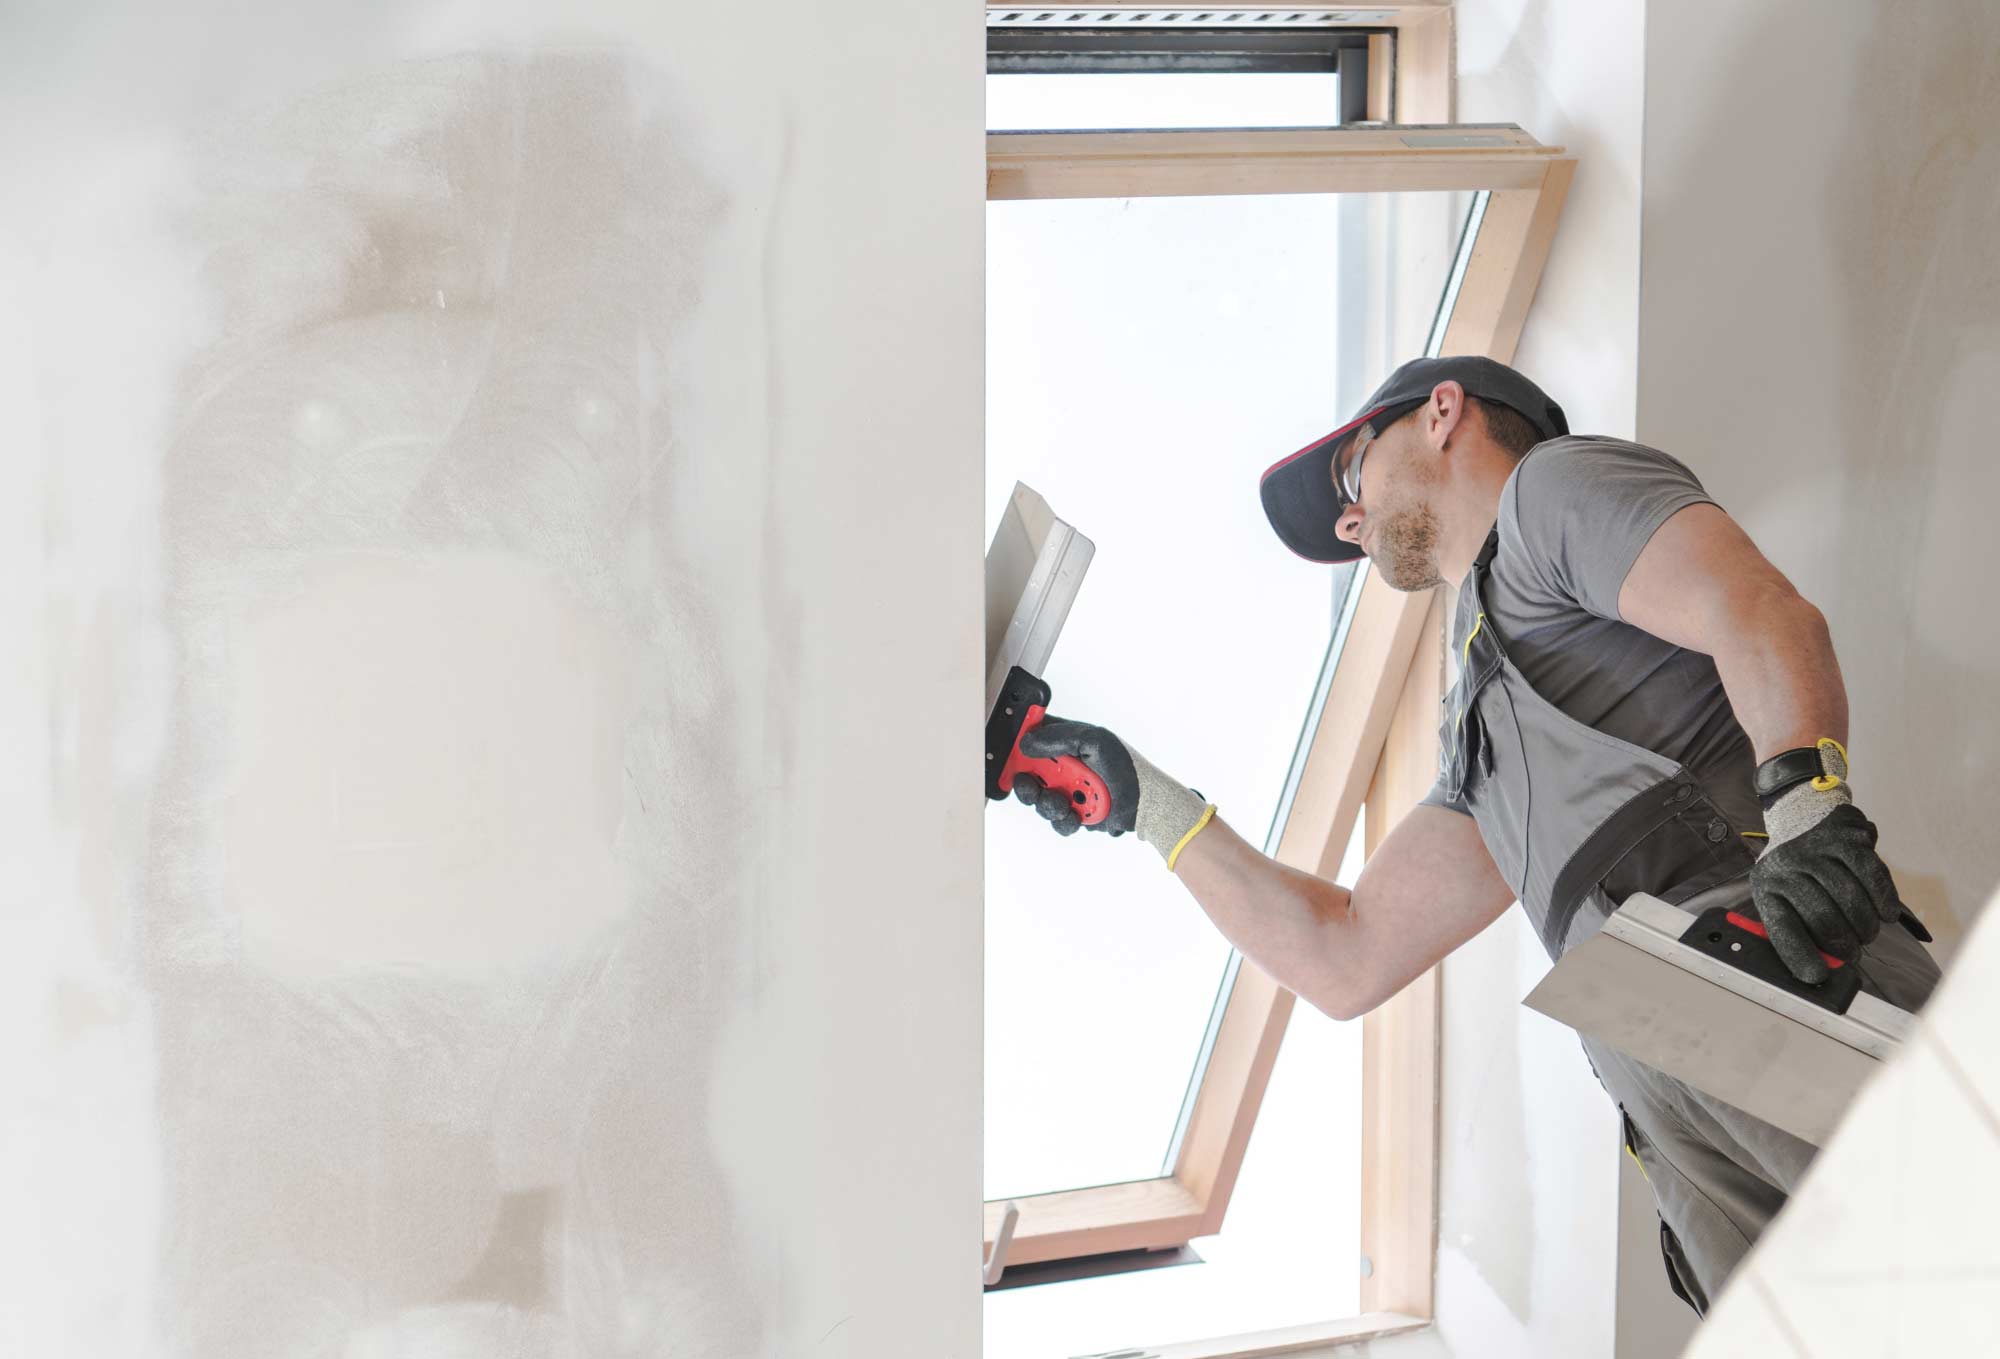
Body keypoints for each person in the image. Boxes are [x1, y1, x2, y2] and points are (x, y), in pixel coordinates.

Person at [1008, 354, 1940, 1314]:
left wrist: (1806, 806)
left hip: (1757, 947)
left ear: (1444, 412)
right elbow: (1349, 952)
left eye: (1348, 475)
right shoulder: (1477, 734)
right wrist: (1146, 801)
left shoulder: (1554, 492)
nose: (1347, 518)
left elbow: (1756, 607)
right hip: (1659, 1061)